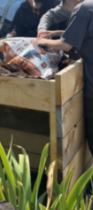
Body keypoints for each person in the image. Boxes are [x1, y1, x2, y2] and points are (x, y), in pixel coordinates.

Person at [33, 0, 93, 155]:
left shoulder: (84, 8)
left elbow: (66, 45)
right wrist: (54, 33)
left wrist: (42, 41)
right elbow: (82, 33)